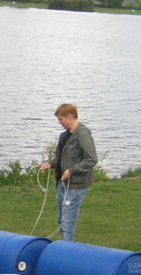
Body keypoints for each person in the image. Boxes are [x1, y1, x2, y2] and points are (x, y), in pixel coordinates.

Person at [39, 103, 98, 241]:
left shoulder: (82, 134)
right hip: (62, 183)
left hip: (75, 186)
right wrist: (51, 163)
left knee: (67, 223)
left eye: (61, 119)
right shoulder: (65, 135)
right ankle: (65, 249)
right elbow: (62, 158)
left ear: (70, 116)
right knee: (61, 220)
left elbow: (91, 159)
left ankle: (68, 253)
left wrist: (71, 171)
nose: (59, 123)